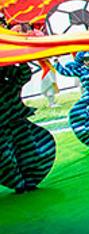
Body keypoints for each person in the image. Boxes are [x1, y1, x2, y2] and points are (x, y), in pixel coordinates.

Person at [0, 63, 56, 193]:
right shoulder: (12, 83)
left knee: (31, 149)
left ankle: (30, 180)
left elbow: (25, 74)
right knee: (5, 156)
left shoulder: (11, 83)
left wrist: (19, 58)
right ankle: (18, 183)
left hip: (19, 123)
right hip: (2, 127)